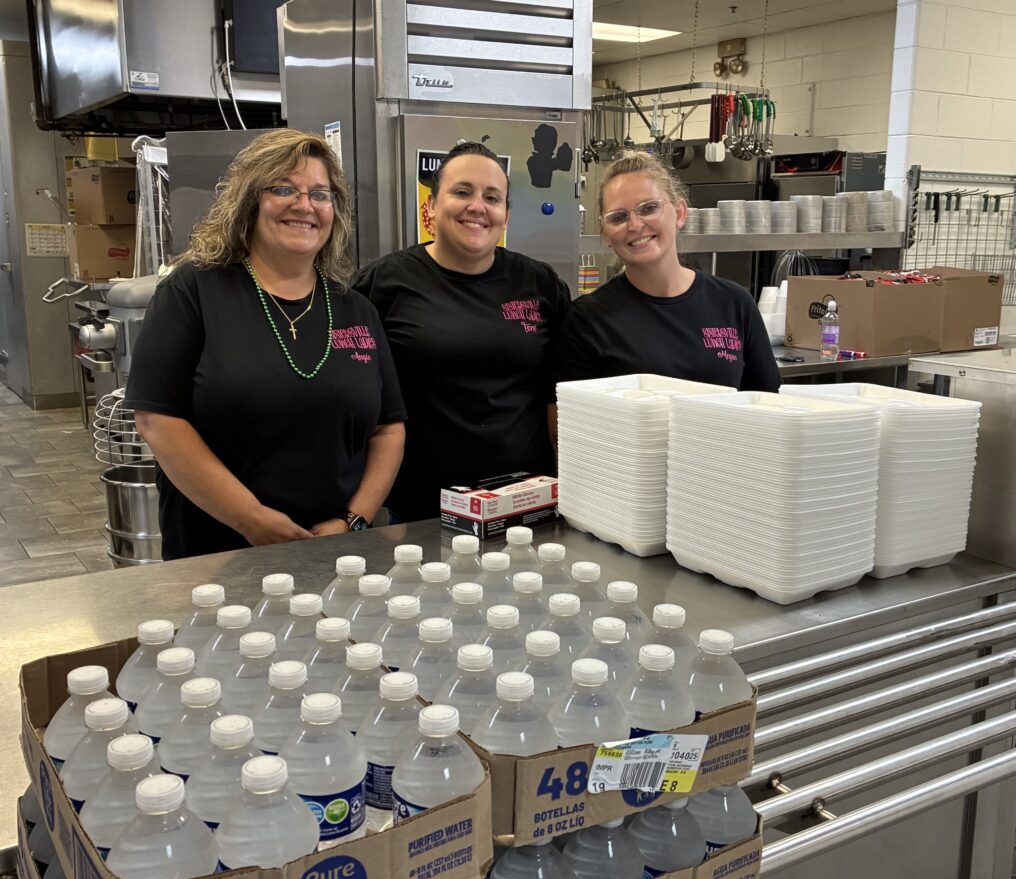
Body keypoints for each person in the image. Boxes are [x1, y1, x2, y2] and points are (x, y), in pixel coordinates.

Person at [125, 129, 406, 559]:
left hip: (337, 552)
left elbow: (388, 428)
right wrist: (249, 518)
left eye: (320, 194)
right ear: (250, 201)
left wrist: (354, 521)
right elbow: (158, 419)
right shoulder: (194, 291)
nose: (304, 205)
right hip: (217, 552)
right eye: (283, 189)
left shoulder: (356, 310)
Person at [353, 140, 571, 524]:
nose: (478, 207)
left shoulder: (539, 283)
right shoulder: (383, 283)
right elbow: (354, 395)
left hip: (527, 500)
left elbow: (561, 394)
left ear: (506, 215)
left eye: (492, 197)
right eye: (462, 192)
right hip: (421, 507)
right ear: (432, 206)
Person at [556, 151, 781, 392]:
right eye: (619, 217)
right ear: (606, 234)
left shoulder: (734, 303)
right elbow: (567, 422)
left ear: (680, 213)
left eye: (649, 208)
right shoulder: (588, 319)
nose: (635, 225)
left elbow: (768, 401)